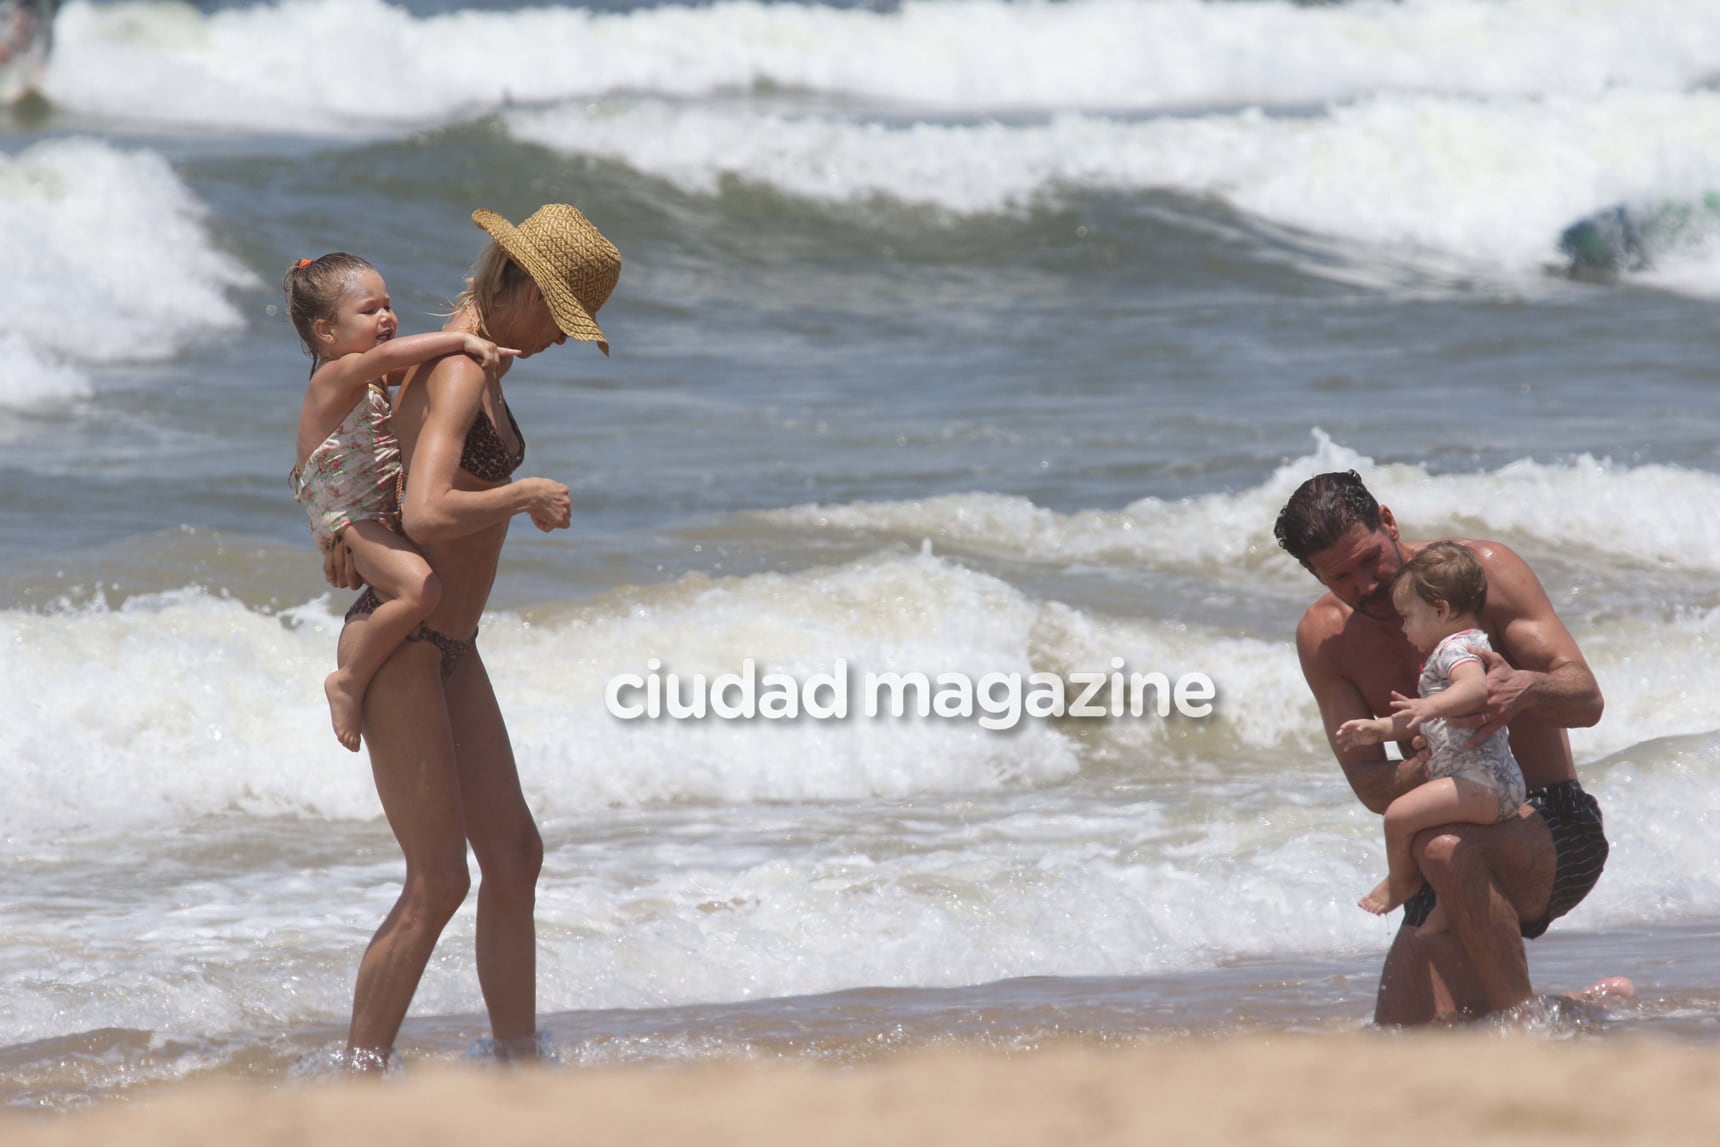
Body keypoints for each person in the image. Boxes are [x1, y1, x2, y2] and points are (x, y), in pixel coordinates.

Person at [323, 204, 619, 1069]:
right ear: (521, 285)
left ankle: (517, 1061)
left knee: (515, 856)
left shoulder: (480, 362)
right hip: (406, 653)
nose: (563, 340)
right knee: (438, 881)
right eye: (560, 318)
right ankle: (357, 1079)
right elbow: (424, 508)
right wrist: (522, 496)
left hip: (453, 649)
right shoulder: (456, 366)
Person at [1274, 470, 1620, 1024]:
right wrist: (1434, 756)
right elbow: (1370, 785)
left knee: (1440, 847)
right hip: (1449, 855)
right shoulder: (1324, 639)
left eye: (1371, 560)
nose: (1367, 584)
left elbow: (1587, 699)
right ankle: (1583, 1010)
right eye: (1341, 575)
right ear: (1314, 574)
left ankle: (1525, 1031)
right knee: (1407, 1037)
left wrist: (1524, 689)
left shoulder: (1481, 574)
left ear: (1388, 522)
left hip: (1552, 821)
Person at [285, 253, 516, 752]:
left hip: (368, 517)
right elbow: (394, 360)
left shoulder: (362, 377)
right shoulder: (336, 375)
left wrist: (487, 359)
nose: (387, 318)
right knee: (420, 589)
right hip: (350, 519)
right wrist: (463, 339)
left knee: (415, 586)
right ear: (326, 331)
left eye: (388, 306)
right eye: (369, 311)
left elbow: (419, 375)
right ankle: (347, 678)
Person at [1335, 542, 1525, 932]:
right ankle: (1449, 907)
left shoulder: (1457, 650)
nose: (1403, 628)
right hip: (1484, 784)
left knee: (1399, 816)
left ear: (1439, 610)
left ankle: (1402, 882)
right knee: (1433, 837)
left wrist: (1428, 708)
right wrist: (1380, 728)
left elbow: (1474, 690)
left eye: (1408, 617)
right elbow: (1419, 720)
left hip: (1482, 783)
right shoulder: (1452, 649)